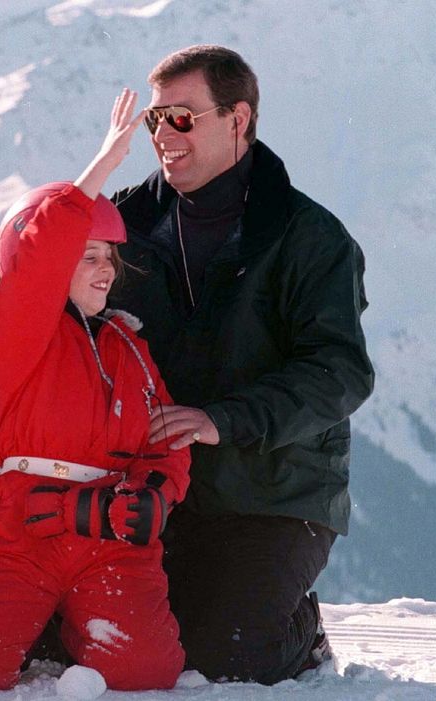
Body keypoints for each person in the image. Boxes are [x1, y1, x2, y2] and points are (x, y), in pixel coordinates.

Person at [106, 45, 374, 684]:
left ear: (238, 119)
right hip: (156, 485)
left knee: (228, 656)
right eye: (154, 121)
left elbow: (340, 370)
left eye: (182, 118)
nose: (164, 137)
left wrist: (222, 420)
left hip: (276, 490)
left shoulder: (311, 237)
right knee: (107, 642)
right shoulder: (121, 226)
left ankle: (299, 630)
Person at [0, 89, 191, 692]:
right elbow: (39, 258)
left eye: (109, 258)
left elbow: (165, 435)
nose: (104, 269)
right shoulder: (15, 328)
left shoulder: (128, 345)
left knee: (145, 672)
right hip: (23, 522)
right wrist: (99, 170)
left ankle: (62, 624)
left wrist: (155, 492)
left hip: (110, 529)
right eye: (86, 254)